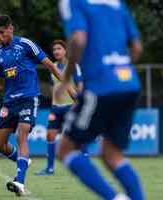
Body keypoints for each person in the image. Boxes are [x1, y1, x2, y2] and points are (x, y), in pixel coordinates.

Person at [0, 14, 67, 196]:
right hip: (9, 102)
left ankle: (19, 181)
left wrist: (69, 87)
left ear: (10, 29)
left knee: (22, 134)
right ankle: (23, 161)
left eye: (2, 32)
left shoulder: (26, 45)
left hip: (29, 98)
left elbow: (51, 65)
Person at [58, 0, 145, 200]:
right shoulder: (116, 2)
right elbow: (137, 47)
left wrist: (67, 76)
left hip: (100, 87)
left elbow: (78, 40)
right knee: (112, 154)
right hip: (129, 83)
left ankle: (114, 198)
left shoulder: (72, 2)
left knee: (66, 149)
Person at [35, 39, 83, 176]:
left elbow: (80, 86)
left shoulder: (73, 66)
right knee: (50, 135)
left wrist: (80, 103)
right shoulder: (53, 67)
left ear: (65, 51)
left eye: (59, 49)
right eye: (54, 49)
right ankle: (50, 169)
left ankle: (84, 163)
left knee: (76, 137)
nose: (56, 51)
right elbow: (54, 88)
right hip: (56, 108)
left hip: (71, 107)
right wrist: (52, 106)